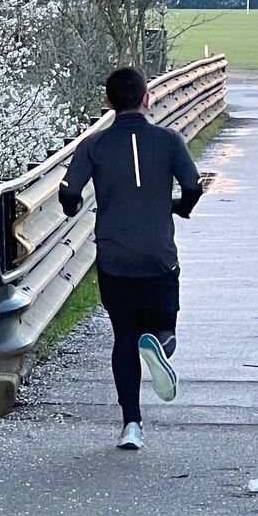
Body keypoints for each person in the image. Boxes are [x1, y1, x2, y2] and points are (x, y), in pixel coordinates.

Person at [58, 66, 204, 450]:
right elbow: (193, 185)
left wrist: (72, 208)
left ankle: (131, 426)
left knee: (122, 335)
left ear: (107, 103)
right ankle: (158, 344)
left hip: (114, 257)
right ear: (147, 99)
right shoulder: (169, 141)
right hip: (158, 255)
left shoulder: (93, 145)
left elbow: (69, 193)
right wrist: (178, 206)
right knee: (163, 327)